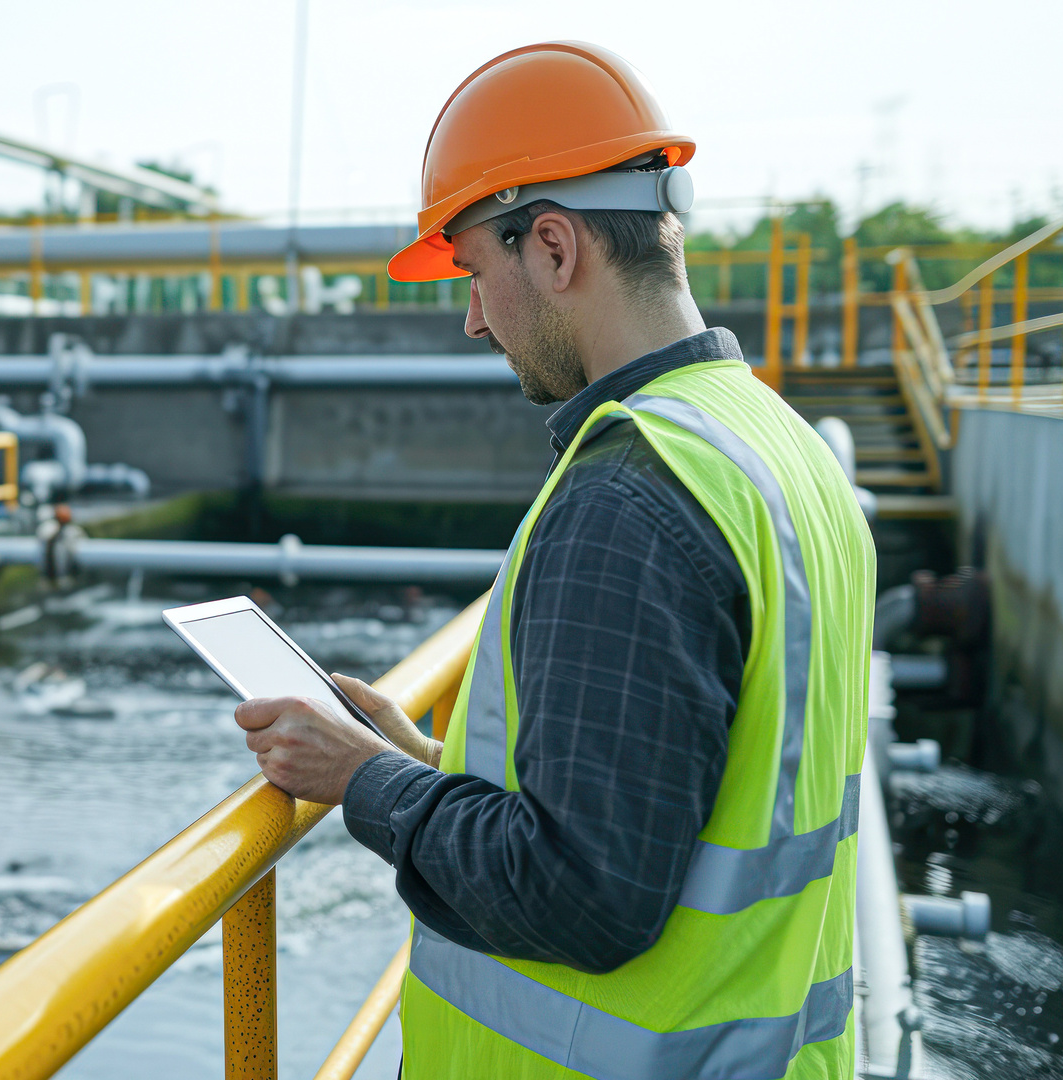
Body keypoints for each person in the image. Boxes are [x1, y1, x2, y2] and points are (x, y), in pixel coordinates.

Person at [230, 42, 874, 1079]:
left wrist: (366, 784)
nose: (474, 318)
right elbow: (668, 797)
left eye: (478, 272)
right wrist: (427, 766)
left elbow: (584, 894)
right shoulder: (779, 446)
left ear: (557, 247)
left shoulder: (630, 496)